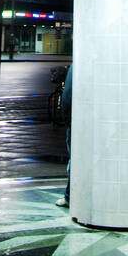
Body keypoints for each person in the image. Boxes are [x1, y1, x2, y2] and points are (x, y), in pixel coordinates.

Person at [58, 64, 72, 207]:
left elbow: (67, 97)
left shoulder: (77, 66)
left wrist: (67, 121)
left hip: (76, 124)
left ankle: (69, 196)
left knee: (74, 160)